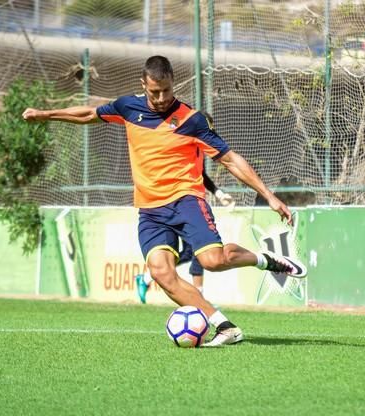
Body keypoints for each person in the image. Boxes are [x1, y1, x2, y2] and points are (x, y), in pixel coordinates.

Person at [22, 55, 306, 347]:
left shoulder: (191, 120)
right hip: (149, 209)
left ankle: (264, 260)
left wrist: (269, 196)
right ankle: (225, 327)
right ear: (142, 84)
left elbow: (231, 159)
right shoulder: (127, 107)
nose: (160, 98)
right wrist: (45, 115)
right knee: (161, 273)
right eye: (154, 92)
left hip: (186, 201)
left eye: (166, 91)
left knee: (212, 261)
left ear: (173, 84)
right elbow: (87, 115)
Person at [135, 168, 234, 304]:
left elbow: (199, 174)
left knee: (191, 253)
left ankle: (147, 277)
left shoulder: (196, 151)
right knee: (198, 252)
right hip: (172, 207)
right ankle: (200, 299)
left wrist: (218, 193)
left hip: (187, 206)